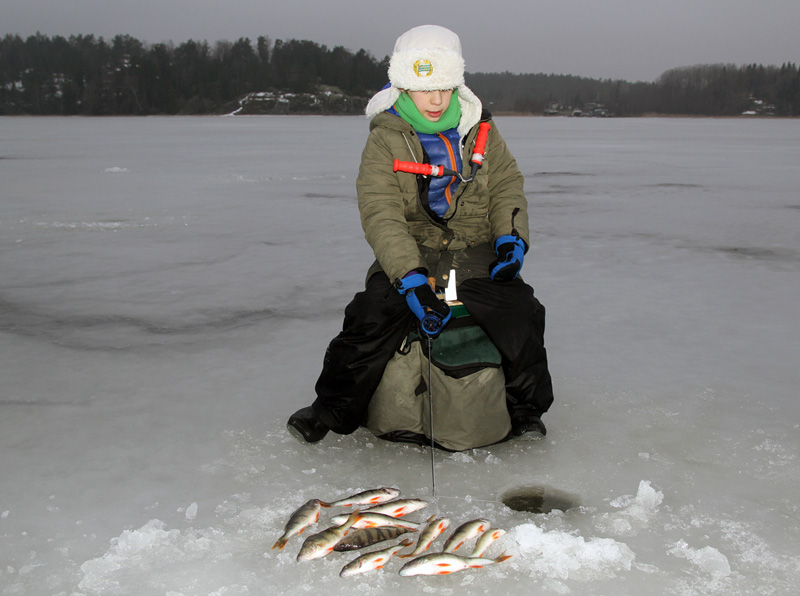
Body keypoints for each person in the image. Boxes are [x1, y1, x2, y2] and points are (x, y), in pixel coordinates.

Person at [287, 24, 553, 445]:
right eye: (423, 88)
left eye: (445, 88)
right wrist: (409, 276)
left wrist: (510, 240)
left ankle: (524, 411)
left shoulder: (481, 129)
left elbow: (507, 186)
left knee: (520, 311)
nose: (435, 99)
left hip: (473, 248)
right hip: (411, 251)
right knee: (373, 312)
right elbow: (381, 213)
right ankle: (333, 407)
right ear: (402, 87)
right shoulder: (384, 141)